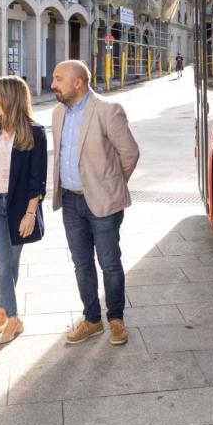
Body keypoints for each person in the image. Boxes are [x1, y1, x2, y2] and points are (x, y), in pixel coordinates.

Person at [51, 60, 139, 346]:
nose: (53, 84)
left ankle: (116, 320)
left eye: (59, 79)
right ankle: (92, 320)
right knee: (81, 264)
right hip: (70, 201)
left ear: (78, 82)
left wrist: (111, 186)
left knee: (109, 263)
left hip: (103, 204)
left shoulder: (106, 110)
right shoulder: (56, 113)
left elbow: (130, 153)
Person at [0, 75, 47, 344]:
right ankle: (15, 318)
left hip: (19, 207)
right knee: (2, 264)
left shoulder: (35, 132)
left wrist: (31, 213)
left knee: (11, 263)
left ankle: (2, 309)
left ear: (8, 97)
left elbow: (36, 178)